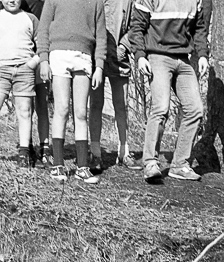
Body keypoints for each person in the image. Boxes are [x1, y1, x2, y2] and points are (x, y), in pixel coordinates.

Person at [128, 0, 209, 183]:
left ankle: (179, 164)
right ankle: (150, 163)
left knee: (195, 109)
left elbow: (200, 28)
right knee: (161, 107)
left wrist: (203, 54)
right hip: (158, 56)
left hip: (183, 59)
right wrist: (140, 56)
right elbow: (137, 27)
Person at [37, 0, 107, 184]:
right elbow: (43, 29)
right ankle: (58, 164)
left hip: (83, 58)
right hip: (59, 55)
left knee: (81, 113)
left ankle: (82, 167)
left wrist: (99, 66)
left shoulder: (96, 3)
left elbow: (101, 37)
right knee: (61, 109)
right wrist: (43, 59)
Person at [89, 0, 142, 172]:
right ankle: (95, 152)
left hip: (118, 57)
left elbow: (135, 24)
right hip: (95, 56)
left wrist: (124, 46)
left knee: (122, 105)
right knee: (96, 104)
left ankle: (124, 151)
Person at [0, 0, 40, 167]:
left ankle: (24, 152)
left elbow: (43, 43)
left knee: (24, 110)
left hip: (24, 69)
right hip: (1, 69)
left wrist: (33, 62)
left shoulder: (30, 18)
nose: (11, 0)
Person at [21, 0, 51, 166]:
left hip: (41, 57)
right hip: (21, 60)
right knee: (25, 106)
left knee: (42, 104)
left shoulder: (43, 3)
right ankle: (28, 146)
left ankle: (45, 147)